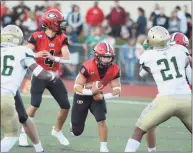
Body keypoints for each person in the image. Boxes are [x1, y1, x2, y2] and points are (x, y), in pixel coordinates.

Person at [124, 26, 192, 152]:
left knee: (138, 131)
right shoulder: (181, 50)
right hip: (187, 99)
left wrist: (147, 48)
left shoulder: (147, 55)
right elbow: (188, 63)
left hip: (165, 100)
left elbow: (142, 73)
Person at [1, 25, 58, 152]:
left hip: (10, 91)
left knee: (23, 117)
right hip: (6, 93)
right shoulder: (22, 51)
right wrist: (53, 75)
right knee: (11, 135)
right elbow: (41, 74)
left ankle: (39, 149)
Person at [19, 9, 71, 146]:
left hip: (53, 75)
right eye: (59, 22)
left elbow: (67, 57)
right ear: (51, 24)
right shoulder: (37, 36)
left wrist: (53, 57)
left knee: (65, 105)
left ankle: (57, 131)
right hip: (40, 74)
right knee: (34, 104)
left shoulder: (62, 37)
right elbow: (23, 51)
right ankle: (23, 133)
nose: (62, 25)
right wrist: (35, 55)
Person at [71, 41, 121, 152]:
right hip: (82, 95)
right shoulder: (87, 66)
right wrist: (91, 92)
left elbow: (117, 91)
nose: (107, 60)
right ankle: (73, 126)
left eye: (109, 57)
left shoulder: (114, 69)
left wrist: (102, 97)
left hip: (98, 95)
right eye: (104, 57)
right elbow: (76, 87)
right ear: (97, 56)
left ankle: (104, 147)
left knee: (101, 120)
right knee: (76, 131)